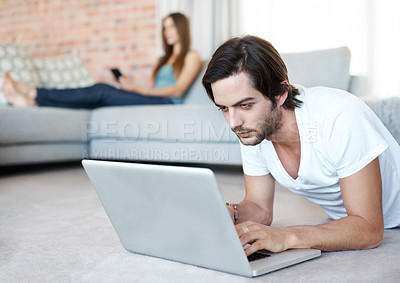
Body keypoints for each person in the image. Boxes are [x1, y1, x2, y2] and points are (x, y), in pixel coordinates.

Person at [202, 35, 400, 256]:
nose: (233, 123)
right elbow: (259, 207)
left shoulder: (339, 116)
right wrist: (231, 213)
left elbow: (369, 229)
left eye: (245, 105)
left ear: (280, 94)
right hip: (344, 222)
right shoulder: (253, 129)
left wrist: (287, 236)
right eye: (224, 108)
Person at [2, 13, 202, 109]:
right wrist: (129, 86)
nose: (167, 32)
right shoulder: (162, 60)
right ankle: (35, 102)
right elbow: (148, 86)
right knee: (101, 93)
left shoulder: (191, 56)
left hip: (167, 102)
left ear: (182, 29)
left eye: (172, 27)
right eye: (165, 28)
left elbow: (178, 90)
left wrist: (139, 89)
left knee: (100, 90)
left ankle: (34, 92)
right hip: (152, 98)